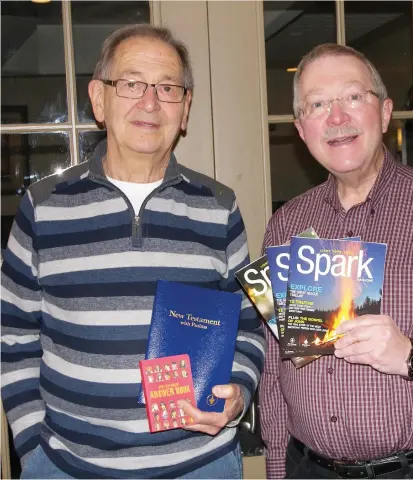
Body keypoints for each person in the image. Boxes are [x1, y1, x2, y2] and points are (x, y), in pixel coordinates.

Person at [1, 24, 266, 479]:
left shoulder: (219, 208)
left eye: (168, 88)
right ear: (99, 100)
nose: (150, 102)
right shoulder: (42, 207)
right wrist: (33, 450)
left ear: (185, 110)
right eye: (131, 83)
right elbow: (14, 337)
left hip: (201, 465)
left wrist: (239, 391)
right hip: (68, 467)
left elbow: (249, 324)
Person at [259, 43, 413, 479]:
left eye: (353, 97)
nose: (337, 118)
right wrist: (279, 469)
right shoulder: (286, 226)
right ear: (302, 129)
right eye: (318, 104)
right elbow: (274, 368)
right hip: (310, 470)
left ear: (386, 110)